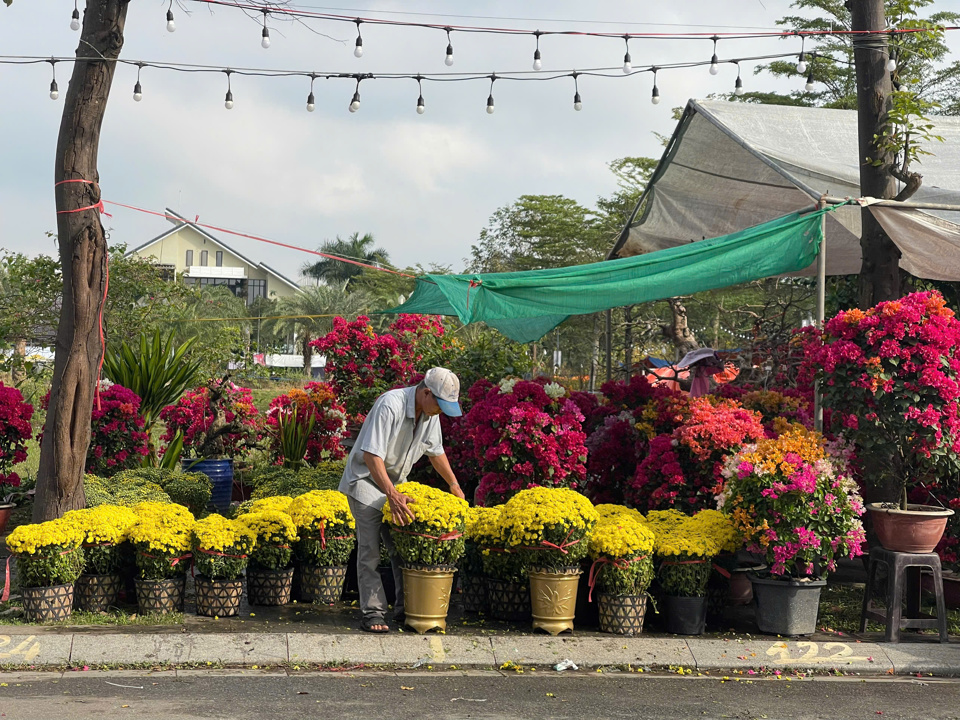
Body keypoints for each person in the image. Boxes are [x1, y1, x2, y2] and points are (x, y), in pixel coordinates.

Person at [338, 366, 466, 633]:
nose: (442, 411)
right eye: (440, 404)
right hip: (365, 481)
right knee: (370, 550)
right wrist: (391, 494)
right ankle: (373, 613)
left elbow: (436, 451)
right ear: (426, 392)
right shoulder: (390, 405)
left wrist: (454, 484)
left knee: (402, 548)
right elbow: (372, 456)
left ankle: (407, 609)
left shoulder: (430, 413)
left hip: (395, 484)